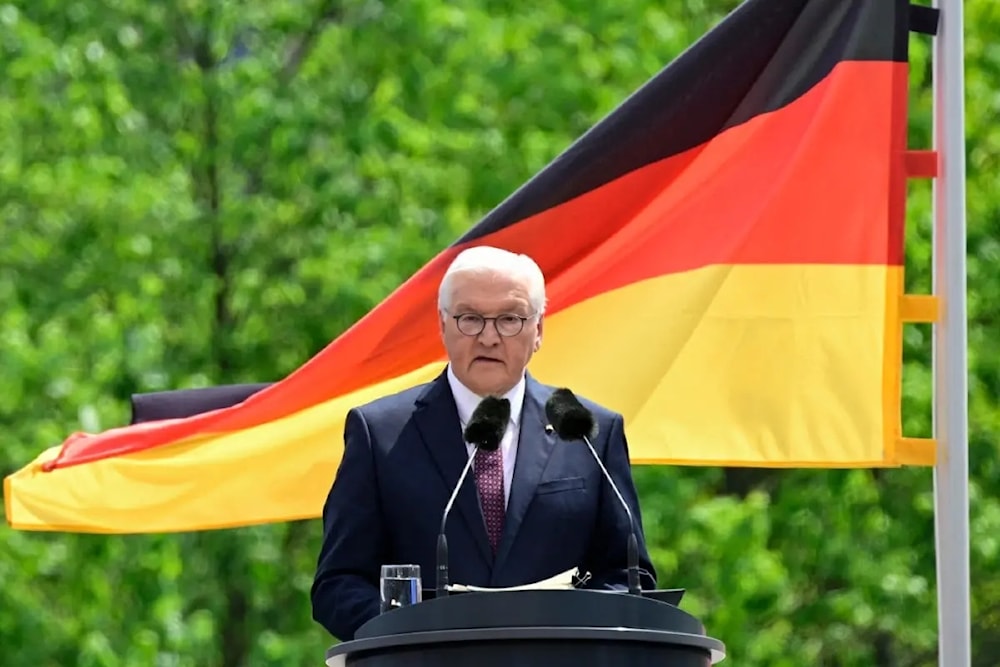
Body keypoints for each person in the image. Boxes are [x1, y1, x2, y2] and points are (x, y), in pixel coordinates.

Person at [311, 245, 657, 641]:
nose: (489, 338)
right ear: (442, 325)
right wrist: (406, 634)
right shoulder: (380, 432)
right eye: (470, 319)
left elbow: (630, 576)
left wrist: (573, 633)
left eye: (510, 319)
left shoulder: (588, 432)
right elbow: (338, 584)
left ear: (539, 330)